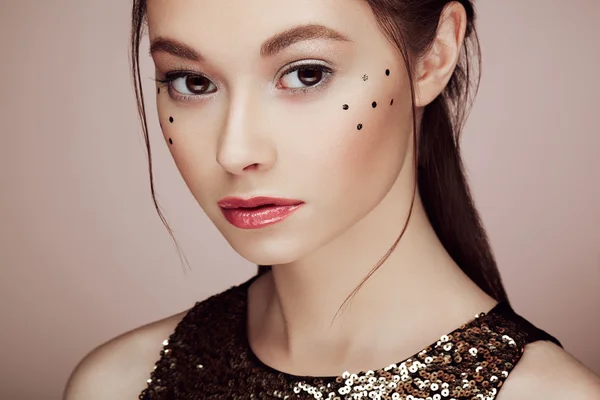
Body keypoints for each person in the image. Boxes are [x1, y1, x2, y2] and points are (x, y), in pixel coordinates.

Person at [64, 0, 600, 399]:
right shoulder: (117, 384)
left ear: (434, 58)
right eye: (193, 82)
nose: (236, 151)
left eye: (306, 73)